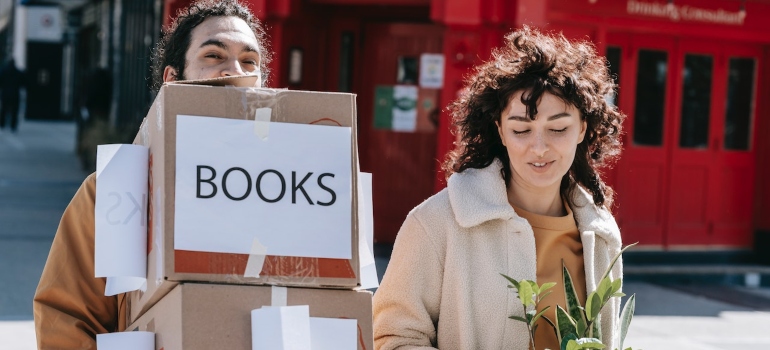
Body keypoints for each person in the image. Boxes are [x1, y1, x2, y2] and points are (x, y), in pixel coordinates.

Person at [32, 1, 270, 348]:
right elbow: (66, 324)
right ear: (173, 79)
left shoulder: (293, 193)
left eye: (249, 61)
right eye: (214, 56)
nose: (233, 71)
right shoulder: (113, 194)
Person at [372, 27, 626, 350]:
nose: (539, 147)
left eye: (558, 128)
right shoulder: (436, 223)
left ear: (582, 129)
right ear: (500, 132)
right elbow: (393, 338)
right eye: (521, 130)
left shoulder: (602, 235)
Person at [0, 58, 25, 133]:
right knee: (15, 110)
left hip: (5, 92)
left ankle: (2, 124)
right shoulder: (18, 72)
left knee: (3, 109)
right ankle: (13, 125)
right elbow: (23, 83)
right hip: (15, 93)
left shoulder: (3, 71)